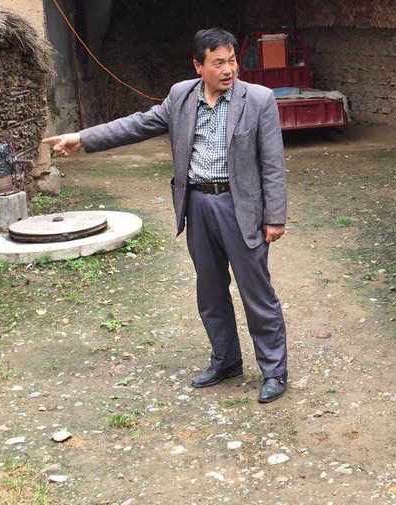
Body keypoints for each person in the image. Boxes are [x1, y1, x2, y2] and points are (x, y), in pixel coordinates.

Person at [42, 28, 290, 404]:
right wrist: (84, 138)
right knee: (210, 292)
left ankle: (274, 371)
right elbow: (136, 124)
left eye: (232, 61)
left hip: (240, 208)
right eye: (218, 62)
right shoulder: (181, 96)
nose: (228, 69)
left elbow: (272, 163)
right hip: (197, 205)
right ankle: (226, 361)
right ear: (198, 66)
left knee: (257, 293)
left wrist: (275, 216)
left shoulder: (258, 99)